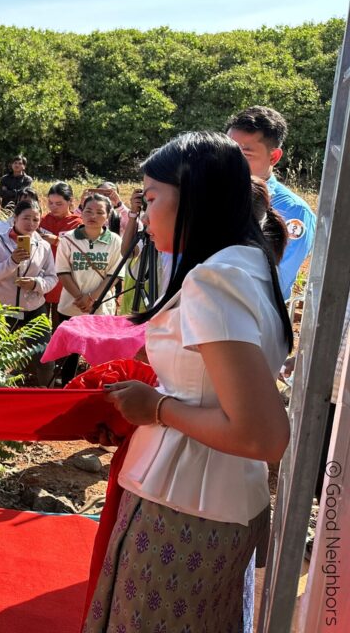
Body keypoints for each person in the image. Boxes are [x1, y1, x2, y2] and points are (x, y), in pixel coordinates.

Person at [85, 131, 293, 633]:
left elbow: (263, 436)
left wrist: (155, 409)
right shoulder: (246, 264)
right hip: (208, 498)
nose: (143, 214)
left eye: (151, 198)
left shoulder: (213, 281)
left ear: (193, 199)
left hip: (182, 508)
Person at [225, 105, 316, 300]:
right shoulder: (215, 194)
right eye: (227, 151)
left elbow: (275, 282)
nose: (230, 162)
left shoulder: (293, 211)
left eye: (244, 154)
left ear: (273, 156)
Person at [0, 198, 57, 386]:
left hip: (35, 310)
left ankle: (46, 394)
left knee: (45, 358)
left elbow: (52, 278)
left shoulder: (43, 246)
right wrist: (11, 262)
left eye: (36, 220)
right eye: (26, 218)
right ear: (15, 218)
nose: (31, 224)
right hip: (4, 311)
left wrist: (36, 284)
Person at [55, 193, 124, 384]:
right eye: (88, 211)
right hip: (71, 305)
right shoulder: (68, 239)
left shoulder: (116, 241)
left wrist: (92, 298)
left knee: (101, 355)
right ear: (81, 212)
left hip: (102, 308)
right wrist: (81, 297)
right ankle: (68, 388)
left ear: (108, 216)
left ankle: (98, 391)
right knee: (70, 356)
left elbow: (115, 274)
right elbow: (62, 271)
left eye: (99, 212)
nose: (93, 216)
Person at [39, 182, 84, 327]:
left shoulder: (77, 223)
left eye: (59, 203)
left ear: (70, 201)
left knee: (62, 325)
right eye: (50, 203)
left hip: (66, 279)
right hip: (44, 276)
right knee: (39, 326)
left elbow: (81, 249)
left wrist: (58, 241)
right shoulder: (43, 221)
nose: (53, 207)